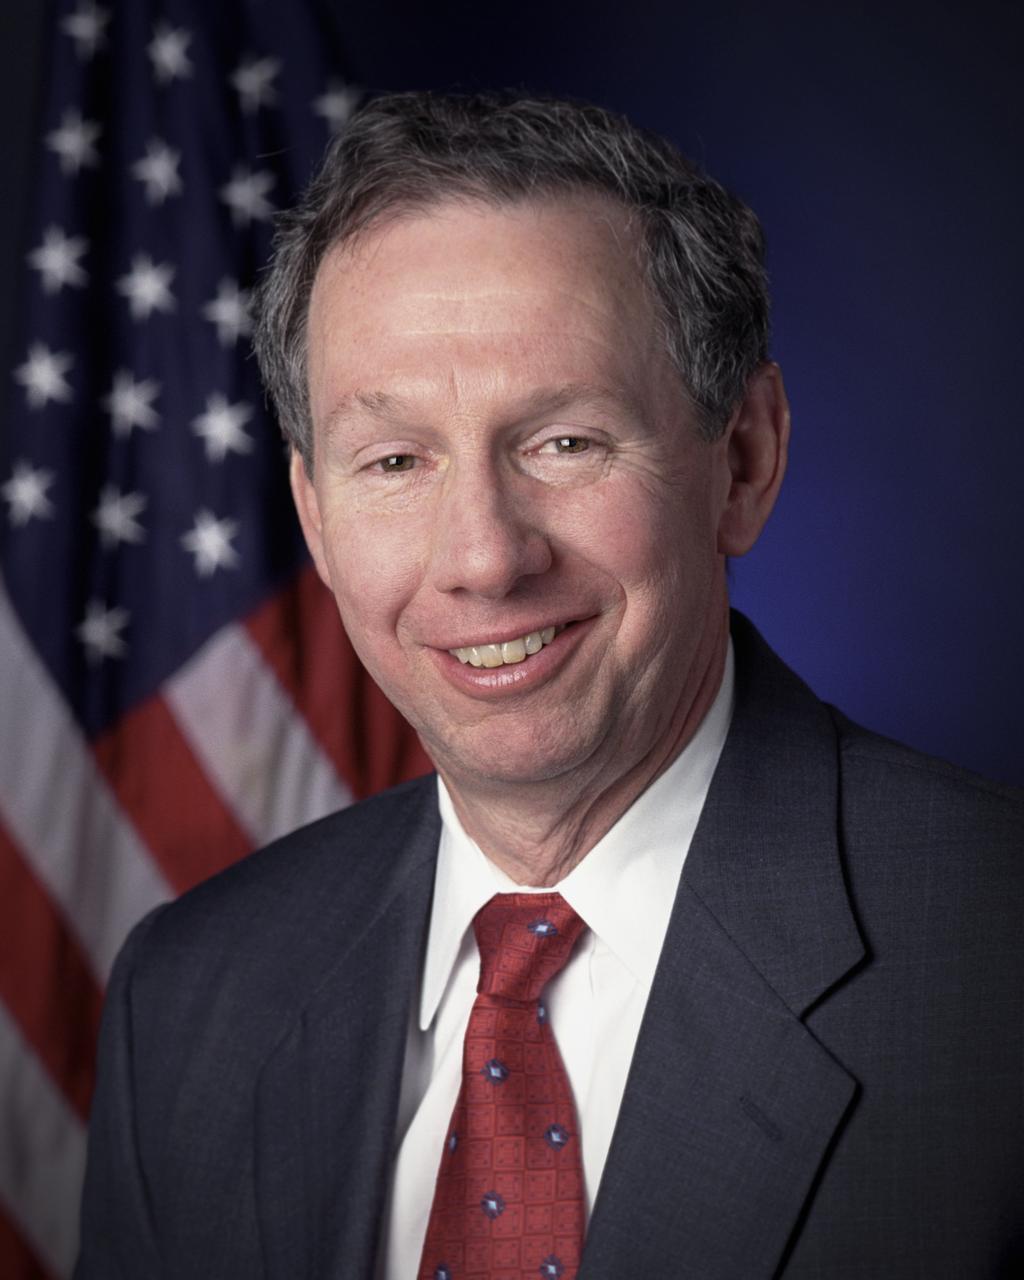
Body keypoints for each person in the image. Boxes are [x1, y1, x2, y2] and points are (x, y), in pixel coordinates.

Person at [74, 92, 1023, 1280]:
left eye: (564, 441)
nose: (481, 556)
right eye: (395, 460)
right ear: (314, 516)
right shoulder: (189, 997)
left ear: (744, 460)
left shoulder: (994, 964)